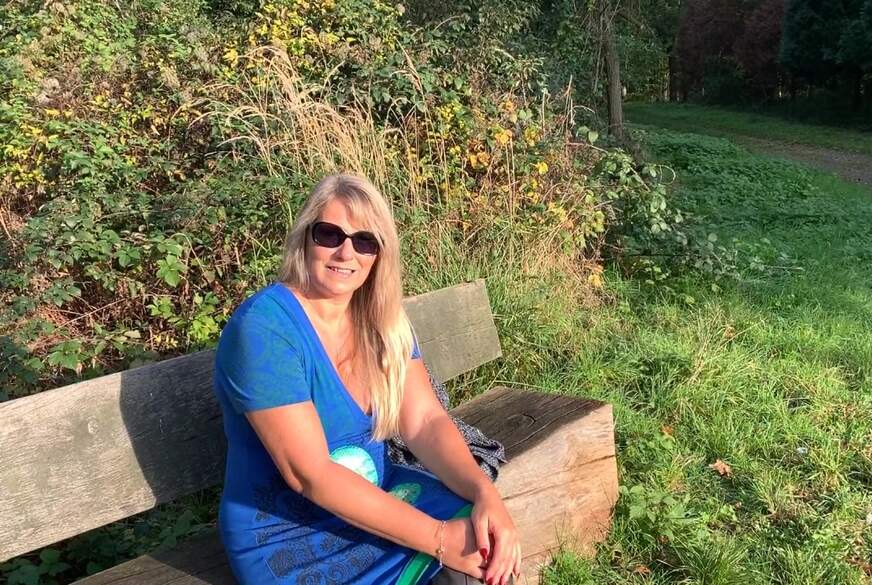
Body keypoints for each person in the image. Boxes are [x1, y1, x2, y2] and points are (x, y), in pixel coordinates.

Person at [213, 173, 521, 585]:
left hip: (379, 493)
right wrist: (440, 539)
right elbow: (310, 474)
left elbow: (425, 421)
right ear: (305, 237)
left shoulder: (384, 322)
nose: (346, 252)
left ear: (379, 254)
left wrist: (485, 492)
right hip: (292, 536)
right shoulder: (265, 329)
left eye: (365, 241)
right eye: (330, 234)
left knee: (487, 546)